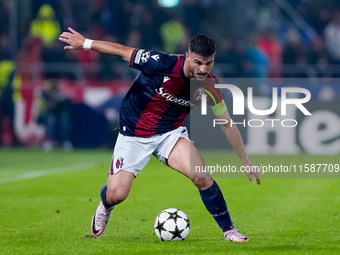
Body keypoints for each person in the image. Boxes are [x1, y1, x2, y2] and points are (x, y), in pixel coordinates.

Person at [59, 27, 261, 242]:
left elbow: (227, 123)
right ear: (188, 56)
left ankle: (229, 231)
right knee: (117, 195)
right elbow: (122, 50)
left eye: (208, 63)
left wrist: (245, 160)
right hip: (134, 132)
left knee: (201, 176)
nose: (203, 69)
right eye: (198, 62)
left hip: (170, 134)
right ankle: (106, 202)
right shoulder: (161, 62)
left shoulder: (210, 86)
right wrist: (86, 43)